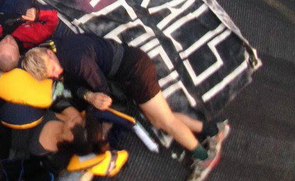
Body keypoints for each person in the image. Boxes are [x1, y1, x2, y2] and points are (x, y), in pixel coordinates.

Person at [22, 34, 230, 181]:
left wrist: (93, 101)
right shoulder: (54, 45)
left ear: (49, 55)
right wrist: (87, 94)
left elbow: (103, 92)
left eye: (52, 69)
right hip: (129, 66)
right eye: (50, 76)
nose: (55, 75)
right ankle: (213, 130)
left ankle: (203, 157)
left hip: (135, 72)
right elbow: (80, 83)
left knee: (164, 121)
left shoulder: (76, 61)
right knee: (159, 118)